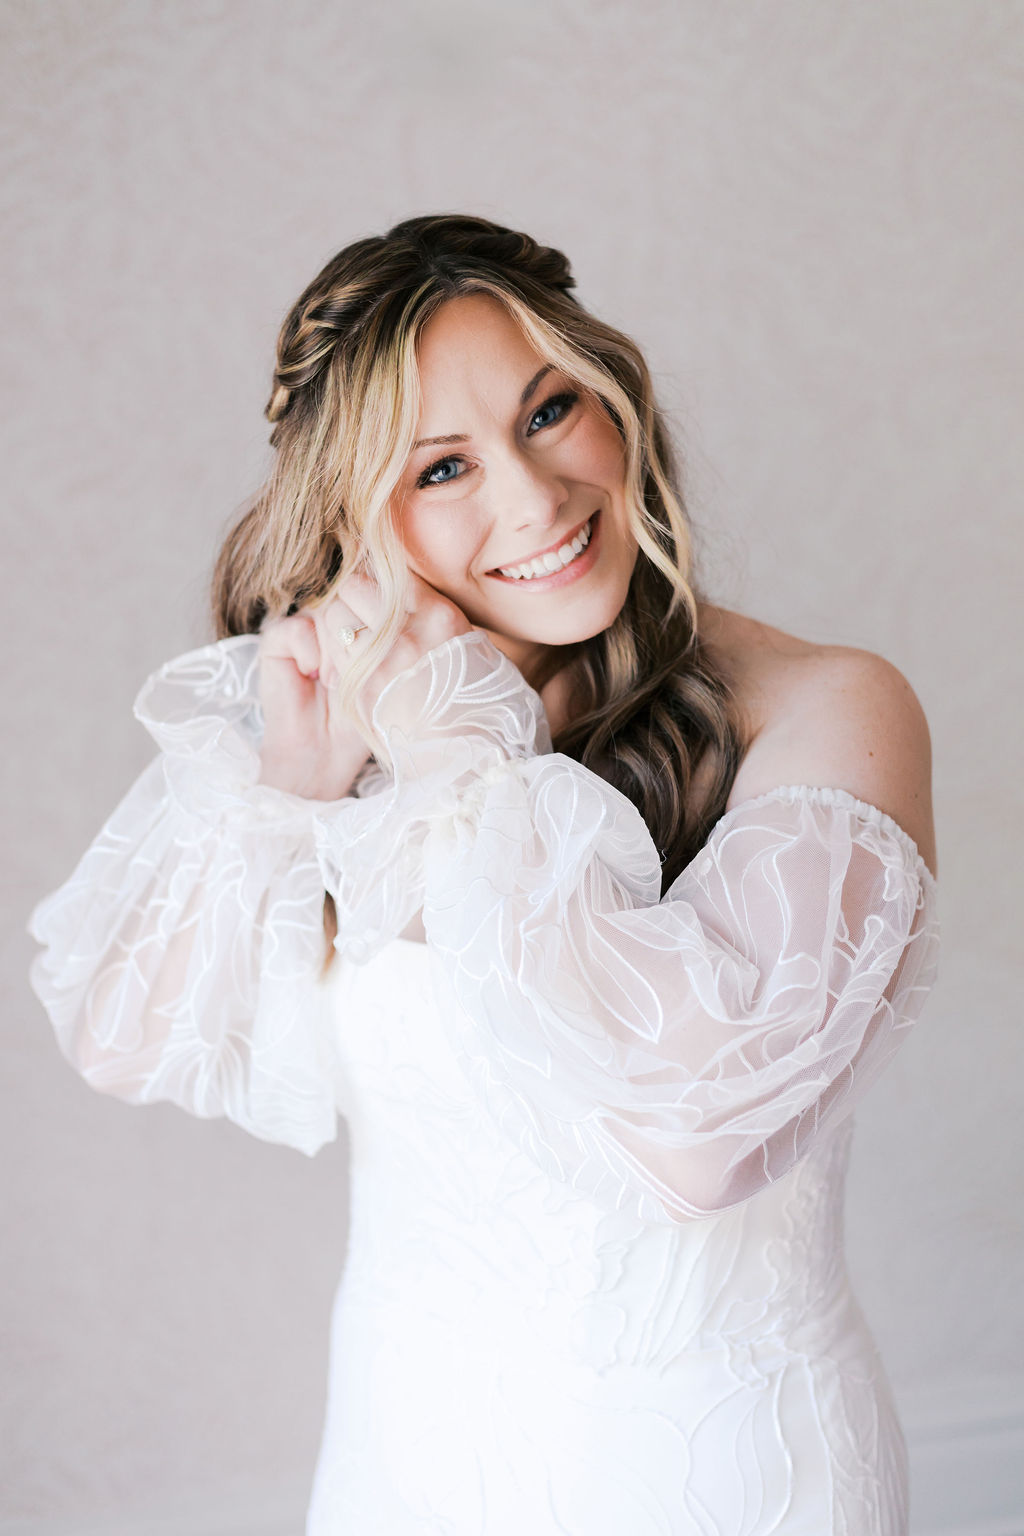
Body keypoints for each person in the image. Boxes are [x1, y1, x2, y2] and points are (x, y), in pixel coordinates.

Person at [29, 214, 940, 1535]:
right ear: (355, 513)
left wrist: (469, 759)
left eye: (550, 411)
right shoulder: (347, 729)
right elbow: (126, 1039)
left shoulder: (823, 706)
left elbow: (696, 1138)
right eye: (443, 466)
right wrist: (294, 793)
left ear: (612, 396)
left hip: (729, 1470)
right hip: (407, 1452)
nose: (534, 498)